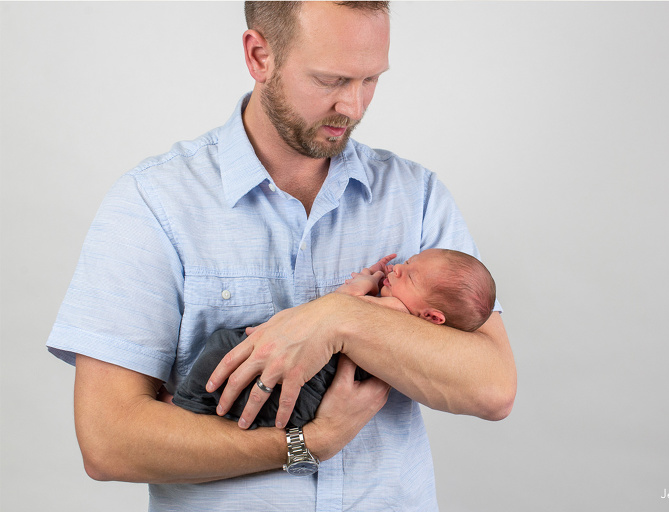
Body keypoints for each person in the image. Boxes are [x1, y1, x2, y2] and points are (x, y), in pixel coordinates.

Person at [46, 2, 516, 510]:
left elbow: (492, 387)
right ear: (259, 56)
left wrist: (336, 318)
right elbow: (109, 442)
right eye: (331, 80)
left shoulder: (416, 196)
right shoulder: (152, 204)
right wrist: (308, 445)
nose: (354, 107)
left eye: (370, 80)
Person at [172, 249, 497, 429]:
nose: (396, 269)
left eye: (409, 275)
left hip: (308, 388)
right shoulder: (406, 319)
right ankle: (194, 405)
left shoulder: (396, 310)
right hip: (311, 393)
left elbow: (343, 306)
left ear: (431, 317)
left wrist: (359, 286)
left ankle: (183, 403)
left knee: (224, 348)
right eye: (406, 262)